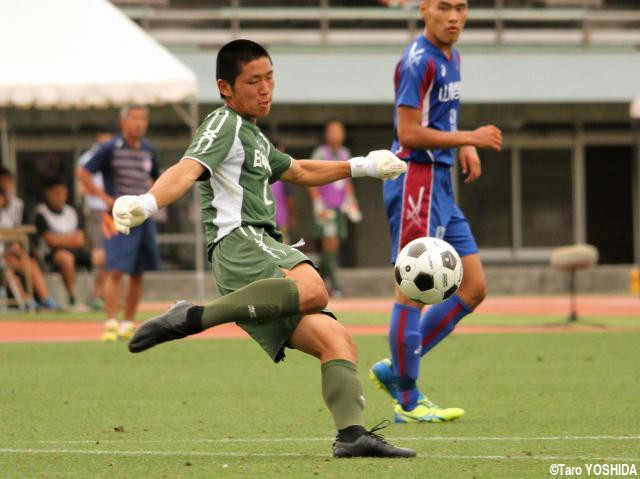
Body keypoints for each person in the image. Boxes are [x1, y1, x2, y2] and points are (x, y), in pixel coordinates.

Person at [110, 39, 414, 459]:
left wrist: (362, 165)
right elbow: (187, 168)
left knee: (336, 339)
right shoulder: (223, 125)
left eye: (270, 77)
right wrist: (147, 203)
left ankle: (352, 435)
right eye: (253, 81)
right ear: (226, 88)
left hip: (258, 247)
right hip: (240, 240)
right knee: (315, 288)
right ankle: (195, 316)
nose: (265, 88)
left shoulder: (252, 135)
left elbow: (301, 170)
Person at [369, 0, 503, 424]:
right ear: (423, 9)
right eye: (445, 7)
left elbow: (439, 117)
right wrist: (471, 137)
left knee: (474, 287)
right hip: (417, 180)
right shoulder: (417, 62)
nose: (455, 17)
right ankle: (407, 401)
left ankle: (396, 368)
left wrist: (461, 145)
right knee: (411, 288)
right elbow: (407, 131)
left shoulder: (452, 55)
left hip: (441, 181)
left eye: (462, 8)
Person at [77, 106, 161, 341]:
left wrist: (151, 200)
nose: (139, 123)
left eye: (143, 118)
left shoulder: (148, 149)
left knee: (138, 271)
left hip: (142, 217)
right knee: (114, 268)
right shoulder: (110, 148)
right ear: (124, 122)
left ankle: (128, 322)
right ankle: (111, 321)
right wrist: (103, 198)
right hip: (116, 217)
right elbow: (83, 172)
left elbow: (156, 178)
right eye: (134, 118)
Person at [308, 120, 362, 296]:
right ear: (327, 134)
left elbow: (347, 180)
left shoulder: (345, 153)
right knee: (329, 242)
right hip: (325, 207)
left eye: (339, 132)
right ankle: (335, 285)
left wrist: (351, 201)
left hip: (339, 207)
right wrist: (318, 204)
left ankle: (319, 281)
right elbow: (310, 178)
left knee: (334, 245)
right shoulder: (320, 153)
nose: (336, 135)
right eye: (332, 132)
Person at [0, 168, 58, 310]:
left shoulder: (17, 205)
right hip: (3, 257)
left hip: (11, 253)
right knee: (7, 265)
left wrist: (15, 245)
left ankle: (45, 300)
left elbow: (26, 229)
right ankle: (25, 301)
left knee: (29, 262)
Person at [35, 178, 95, 310]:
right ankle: (72, 298)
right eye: (56, 193)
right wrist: (69, 239)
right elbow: (51, 241)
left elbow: (80, 240)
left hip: (76, 251)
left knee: (105, 257)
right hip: (53, 255)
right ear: (48, 193)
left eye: (63, 193)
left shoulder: (72, 211)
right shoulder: (41, 212)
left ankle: (96, 298)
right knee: (66, 258)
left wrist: (61, 239)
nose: (60, 196)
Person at [76, 127, 115, 310]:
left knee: (113, 257)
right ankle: (95, 295)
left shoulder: (115, 154)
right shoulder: (87, 159)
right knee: (103, 256)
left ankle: (102, 295)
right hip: (97, 212)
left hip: (115, 212)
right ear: (99, 137)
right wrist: (102, 197)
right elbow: (81, 188)